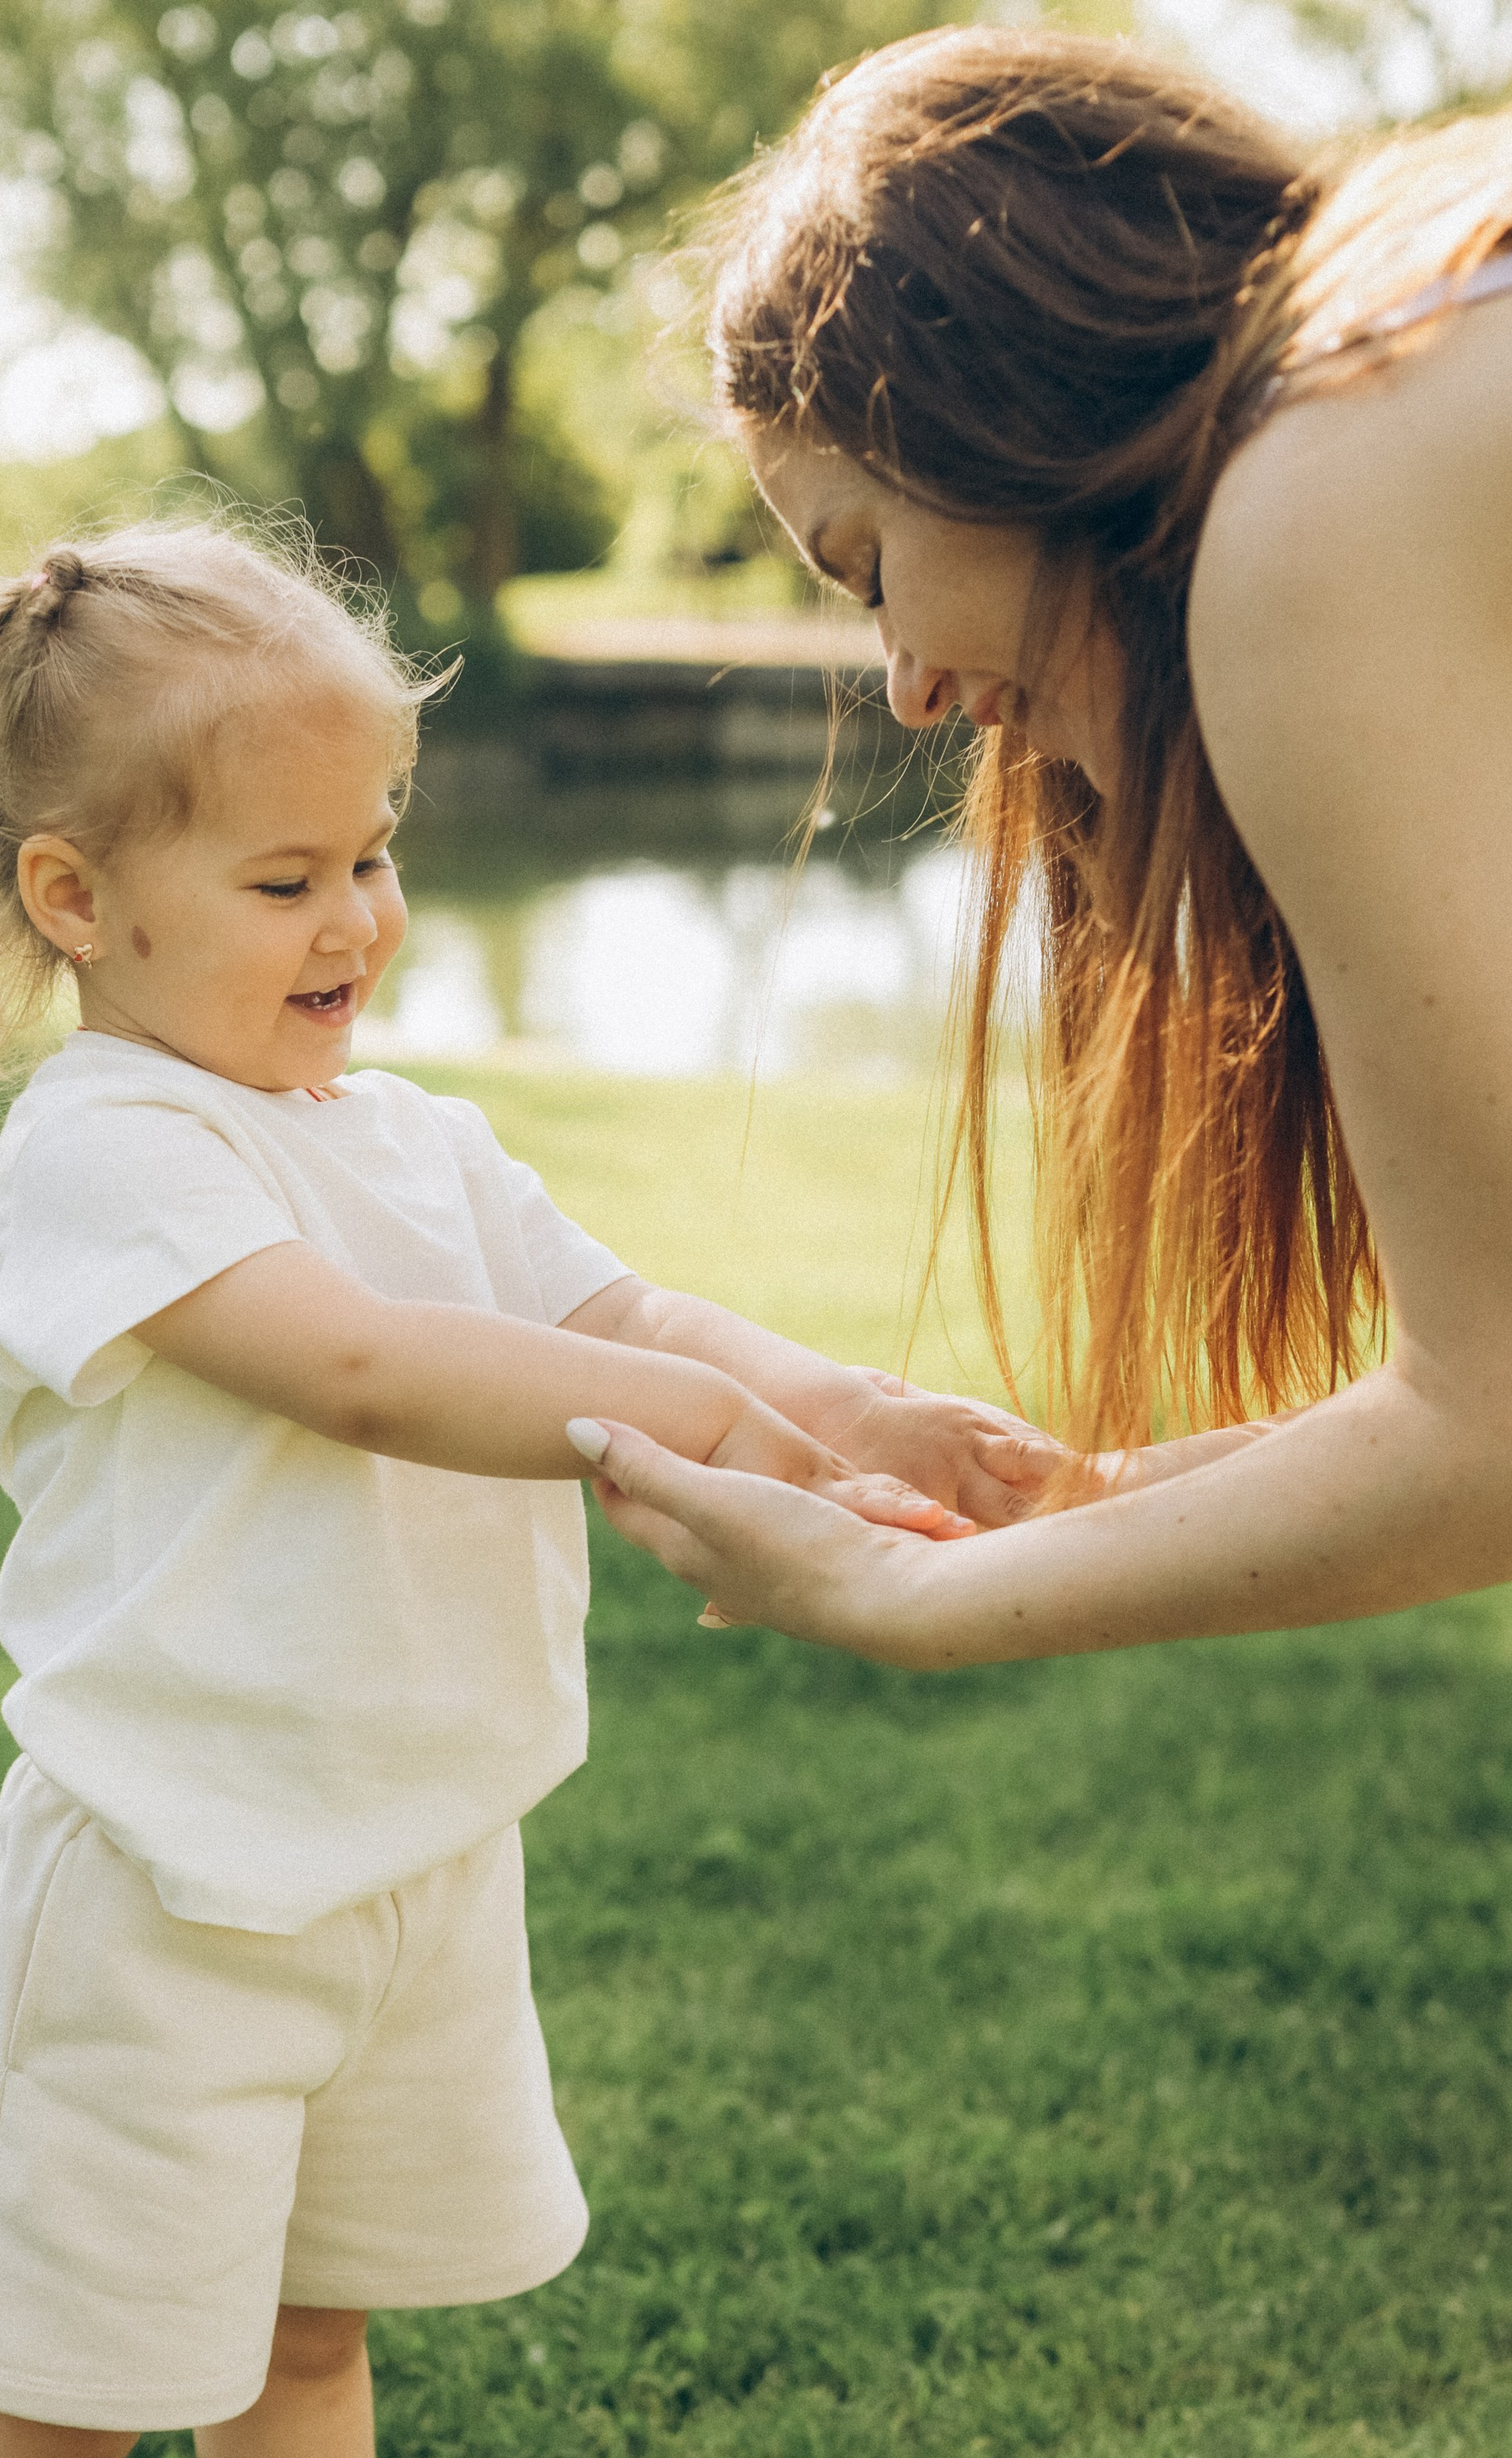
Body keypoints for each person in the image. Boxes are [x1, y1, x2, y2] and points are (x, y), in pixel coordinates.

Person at [0, 518, 1052, 2458]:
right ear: (76, 901)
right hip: (177, 1878)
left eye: (376, 854)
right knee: (65, 2396)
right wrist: (683, 1436)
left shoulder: (409, 1138)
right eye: (284, 875)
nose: (357, 920)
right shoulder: (113, 1157)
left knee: (308, 2327)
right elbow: (377, 1372)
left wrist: (840, 1398)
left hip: (404, 1852)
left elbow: (611, 1293)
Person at [568, 30, 1512, 1670]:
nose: (908, 687)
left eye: (862, 567)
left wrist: (908, 1597)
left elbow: (1491, 1421)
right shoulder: (1411, 351)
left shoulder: (1306, 504)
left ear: (976, 406)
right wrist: (1073, 1500)